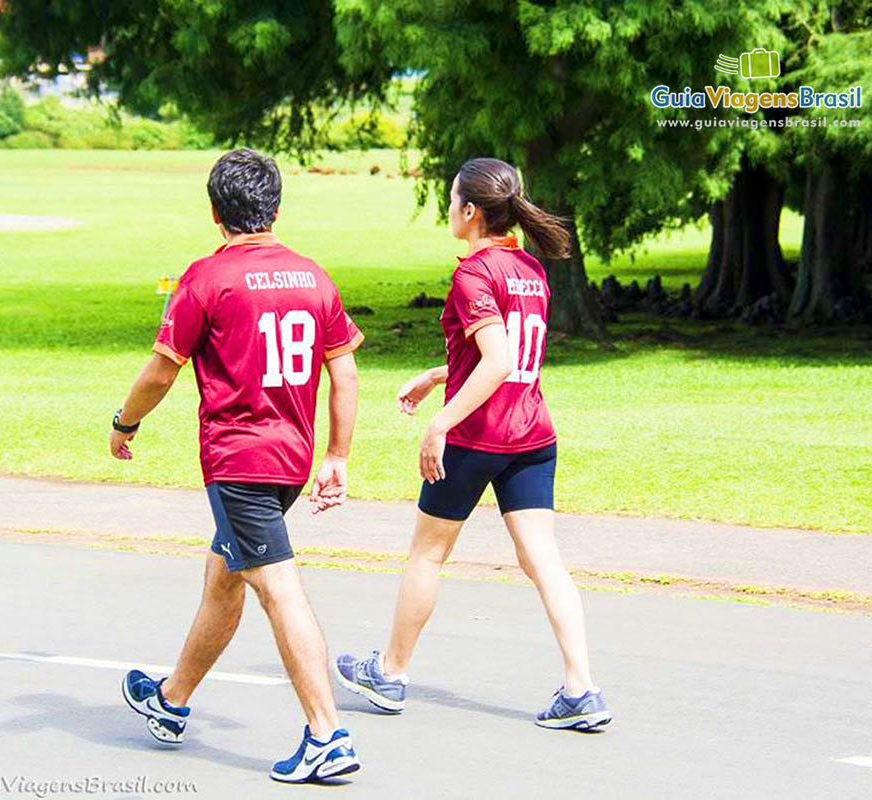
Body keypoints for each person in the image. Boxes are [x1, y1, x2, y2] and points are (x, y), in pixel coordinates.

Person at [109, 149, 366, 782]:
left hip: (239, 460)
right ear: (274, 207)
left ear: (216, 212)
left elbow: (162, 370)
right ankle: (172, 701)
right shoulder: (313, 276)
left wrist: (125, 423)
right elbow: (345, 367)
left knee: (278, 587)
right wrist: (336, 455)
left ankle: (327, 735)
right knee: (225, 576)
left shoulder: (207, 278)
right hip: (290, 458)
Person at [333, 157, 611, 730]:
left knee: (428, 554)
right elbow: (502, 358)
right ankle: (582, 688)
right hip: (531, 434)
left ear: (469, 211)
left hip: (477, 436)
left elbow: (499, 359)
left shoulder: (473, 274)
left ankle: (390, 672)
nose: (449, 208)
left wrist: (440, 423)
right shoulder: (530, 269)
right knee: (544, 560)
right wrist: (437, 376)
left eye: (453, 198)